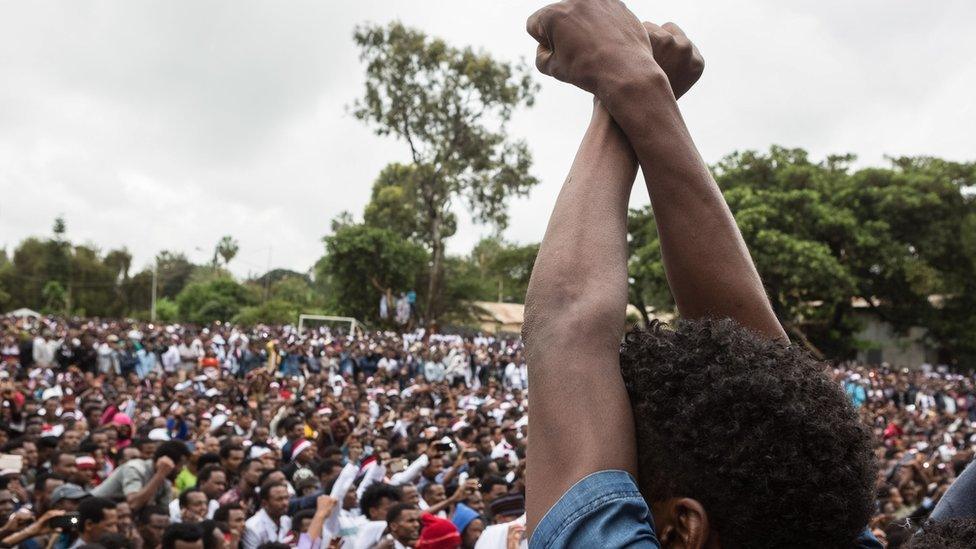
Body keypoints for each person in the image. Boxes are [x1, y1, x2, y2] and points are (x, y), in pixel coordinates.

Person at [522, 1, 879, 547]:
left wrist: (628, 84)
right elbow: (768, 385)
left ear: (680, 528)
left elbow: (568, 326)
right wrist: (637, 87)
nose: (613, 467)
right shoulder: (815, 525)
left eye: (631, 473)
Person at [92, 441, 189, 512]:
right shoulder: (134, 468)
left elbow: (163, 513)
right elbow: (133, 504)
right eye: (181, 465)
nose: (182, 470)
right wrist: (159, 475)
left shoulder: (165, 482)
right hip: (95, 510)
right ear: (168, 462)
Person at [240, 481, 291, 549]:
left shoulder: (287, 520)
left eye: (286, 498)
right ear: (265, 503)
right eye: (279, 499)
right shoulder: (252, 527)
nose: (285, 503)